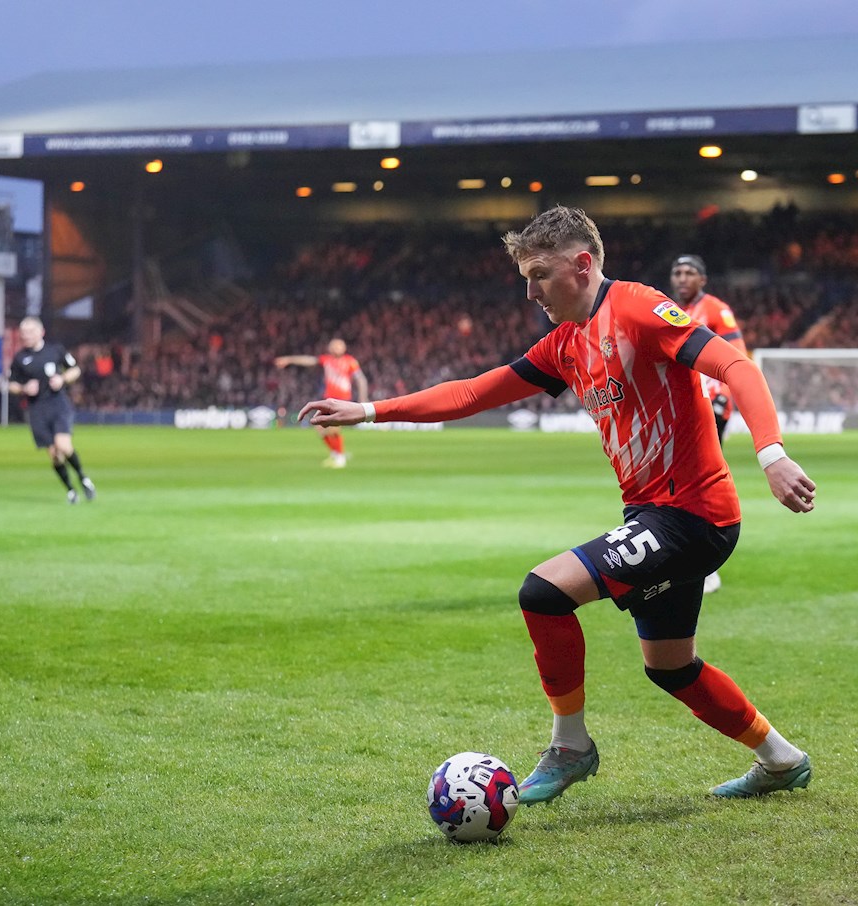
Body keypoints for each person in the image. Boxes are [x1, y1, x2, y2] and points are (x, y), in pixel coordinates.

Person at [300, 206, 816, 802]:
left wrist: (772, 455)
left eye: (539, 274)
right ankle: (782, 759)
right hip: (654, 516)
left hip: (693, 514)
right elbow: (471, 393)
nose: (529, 291)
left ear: (582, 264)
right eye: (525, 277)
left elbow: (735, 366)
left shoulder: (638, 308)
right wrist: (368, 411)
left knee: (542, 592)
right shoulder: (565, 344)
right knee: (671, 667)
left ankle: (570, 747)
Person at [671, 253, 747, 595]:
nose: (682, 278)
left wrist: (725, 398)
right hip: (682, 406)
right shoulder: (668, 308)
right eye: (677, 272)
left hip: (712, 403)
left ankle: (706, 565)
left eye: (689, 273)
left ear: (703, 279)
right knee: (681, 480)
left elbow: (737, 356)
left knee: (699, 478)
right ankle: (692, 556)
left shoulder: (716, 309)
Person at [6, 317, 96, 504]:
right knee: (55, 454)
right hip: (37, 409)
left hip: (58, 404)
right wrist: (24, 389)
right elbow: (11, 384)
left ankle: (83, 478)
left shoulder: (55, 350)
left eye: (30, 332)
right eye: (23, 333)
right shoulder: (20, 358)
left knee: (63, 444)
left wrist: (62, 379)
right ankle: (71, 490)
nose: (26, 336)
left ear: (41, 332)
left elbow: (75, 370)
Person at [275, 338, 368, 468]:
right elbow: (308, 360)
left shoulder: (350, 361)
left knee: (334, 428)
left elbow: (361, 380)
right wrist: (289, 359)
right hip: (328, 399)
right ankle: (336, 454)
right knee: (320, 428)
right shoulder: (326, 360)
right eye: (333, 345)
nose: (335, 348)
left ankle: (340, 457)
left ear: (344, 348)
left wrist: (363, 400)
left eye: (338, 345)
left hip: (342, 399)